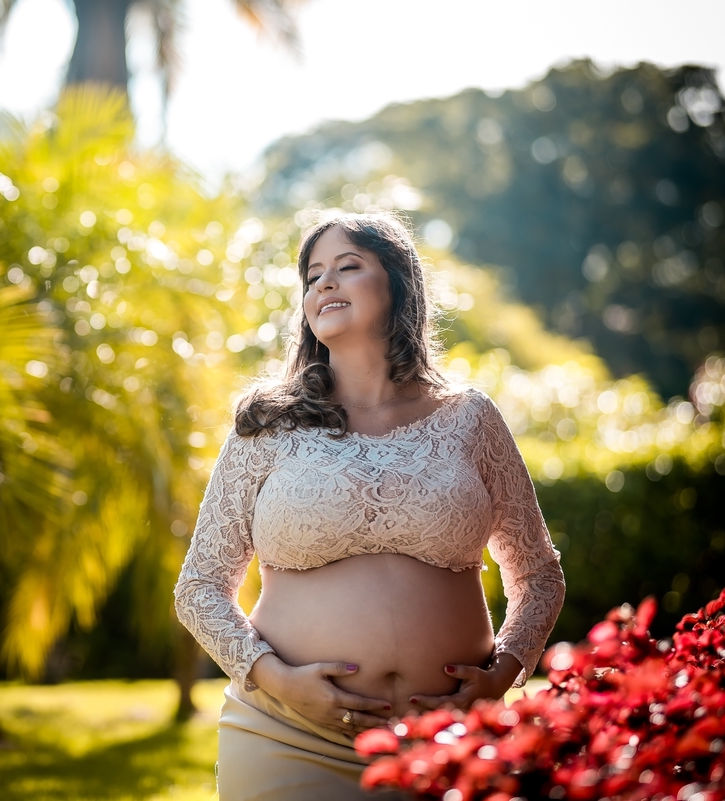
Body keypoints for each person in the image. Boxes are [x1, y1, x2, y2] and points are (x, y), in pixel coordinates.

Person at [173, 212, 566, 800]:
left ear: (399, 284)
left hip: (451, 742)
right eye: (313, 276)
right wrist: (274, 678)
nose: (325, 284)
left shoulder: (469, 419)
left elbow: (537, 574)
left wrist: (503, 675)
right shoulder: (268, 425)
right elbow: (200, 585)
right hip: (288, 734)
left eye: (348, 267)